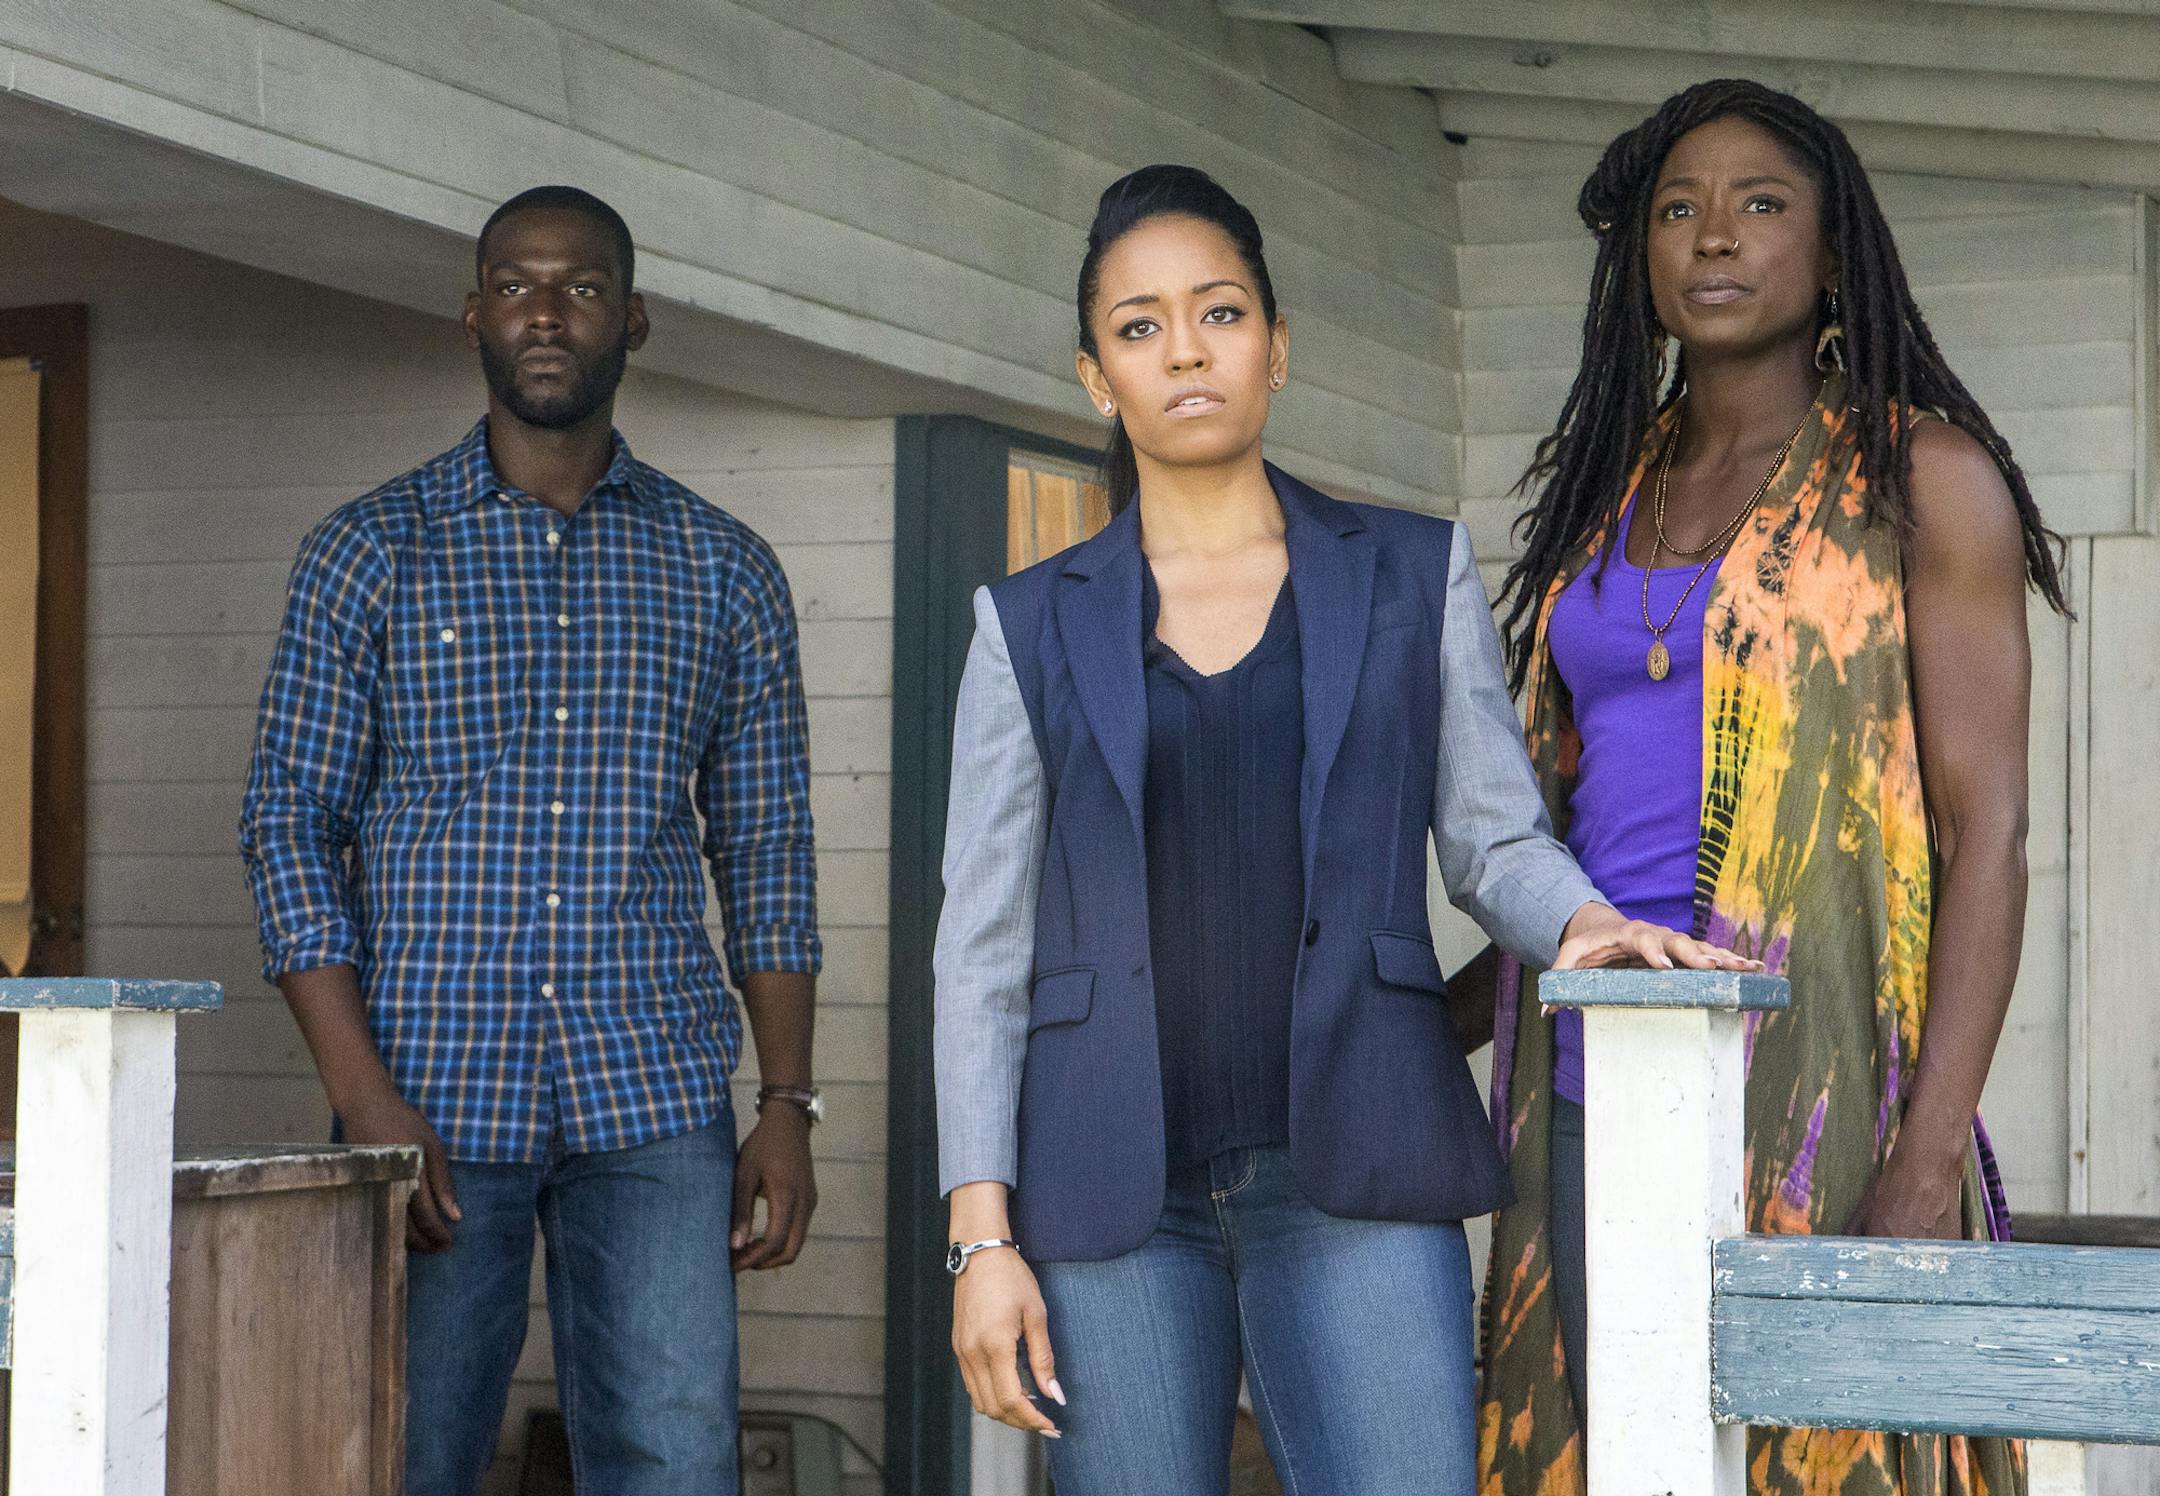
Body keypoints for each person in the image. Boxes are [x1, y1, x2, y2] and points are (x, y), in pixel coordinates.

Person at [932, 163, 1751, 1496]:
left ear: (1277, 346)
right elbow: (981, 948)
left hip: (1360, 1159)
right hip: (1103, 1185)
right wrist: (981, 1237)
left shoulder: (1406, 571)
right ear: (1097, 376)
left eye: (1219, 313)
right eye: (1139, 327)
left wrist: (1585, 921)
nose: (1184, 350)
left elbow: (1490, 838)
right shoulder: (1024, 623)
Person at [1470, 80, 2063, 1496]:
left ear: (1836, 251)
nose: (1713, 237)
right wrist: (1436, 1020)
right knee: (1612, 1450)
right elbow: (1560, 818)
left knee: (1818, 1463)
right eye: (1678, 210)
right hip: (1591, 1071)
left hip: (1823, 1086)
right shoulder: (1608, 490)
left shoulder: (1920, 478)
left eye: (1760, 206)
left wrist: (1929, 1155)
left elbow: (1990, 830)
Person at [239, 185, 823, 1496]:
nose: (546, 312)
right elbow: (288, 826)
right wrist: (364, 1099)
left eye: (581, 286)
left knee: (675, 1463)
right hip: (428, 1093)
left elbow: (770, 850)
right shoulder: (368, 553)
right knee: (403, 1453)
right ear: (473, 318)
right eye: (515, 284)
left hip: (654, 1099)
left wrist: (785, 1106)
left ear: (636, 321)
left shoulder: (727, 571)